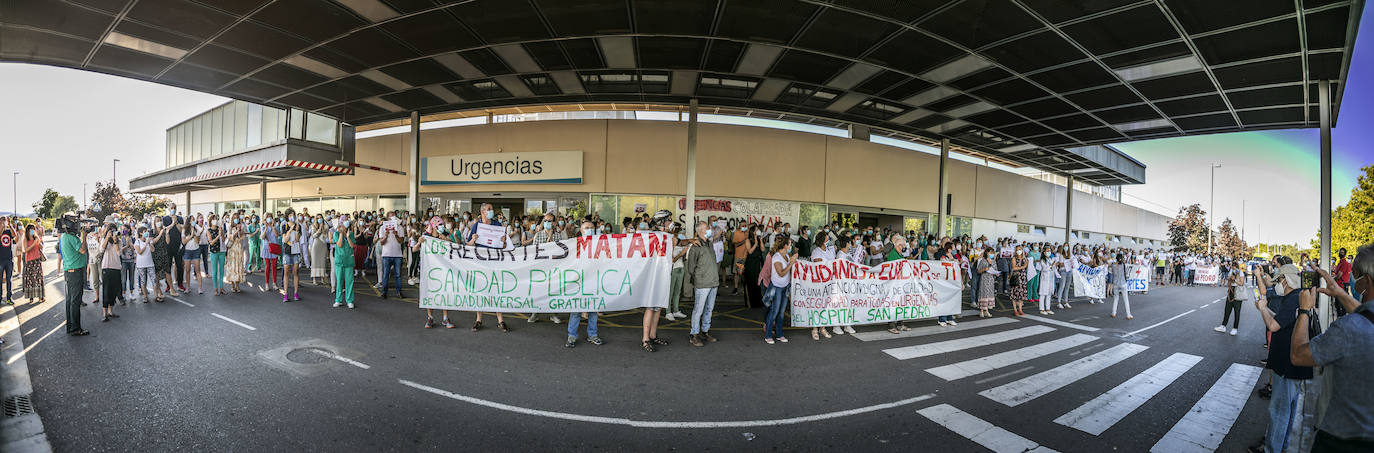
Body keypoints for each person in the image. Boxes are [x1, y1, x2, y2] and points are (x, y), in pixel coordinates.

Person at [1289, 245, 1374, 452]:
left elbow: (1299, 355)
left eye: (1354, 274)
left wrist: (1304, 311)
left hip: (1343, 439)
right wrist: (1339, 293)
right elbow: (1368, 318)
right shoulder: (1362, 322)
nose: (1352, 280)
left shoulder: (1348, 328)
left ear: (1367, 281)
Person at [1250, 262, 1313, 453]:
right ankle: (1281, 445)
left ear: (1285, 281)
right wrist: (1264, 308)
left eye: (1279, 280)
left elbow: (1274, 326)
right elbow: (1278, 320)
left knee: (1279, 411)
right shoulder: (1298, 297)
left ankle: (1272, 449)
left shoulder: (1294, 298)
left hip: (1287, 364)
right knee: (1289, 409)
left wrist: (1262, 309)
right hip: (1293, 363)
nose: (1276, 284)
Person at [466, 203, 509, 332]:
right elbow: (467, 245)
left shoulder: (497, 225)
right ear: (483, 211)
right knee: (480, 290)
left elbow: (504, 246)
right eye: (489, 209)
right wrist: (473, 240)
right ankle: (478, 320)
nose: (491, 211)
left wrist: (504, 241)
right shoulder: (476, 226)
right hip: (480, 262)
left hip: (495, 262)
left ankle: (500, 320)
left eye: (491, 209)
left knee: (496, 290)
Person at [567, 221, 605, 348]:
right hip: (578, 280)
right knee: (576, 310)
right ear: (581, 230)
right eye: (586, 228)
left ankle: (593, 335)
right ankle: (572, 335)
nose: (589, 230)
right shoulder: (574, 244)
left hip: (594, 279)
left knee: (593, 309)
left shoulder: (599, 244)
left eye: (591, 228)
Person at [683, 221, 719, 347]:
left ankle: (705, 331)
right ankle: (694, 334)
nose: (710, 229)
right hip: (703, 282)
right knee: (698, 310)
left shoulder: (709, 243)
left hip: (713, 281)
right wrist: (700, 276)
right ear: (701, 230)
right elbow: (691, 267)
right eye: (707, 228)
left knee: (709, 309)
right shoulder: (695, 246)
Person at [59, 217, 90, 336]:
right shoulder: (71, 238)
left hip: (69, 271)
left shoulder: (64, 237)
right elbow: (82, 250)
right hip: (75, 271)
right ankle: (76, 328)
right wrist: (84, 236)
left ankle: (70, 326)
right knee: (75, 301)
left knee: (70, 299)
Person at [762, 237, 796, 345]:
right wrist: (791, 263)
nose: (791, 246)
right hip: (776, 287)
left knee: (781, 313)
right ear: (785, 245)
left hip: (785, 287)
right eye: (790, 244)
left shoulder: (786, 256)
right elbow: (781, 273)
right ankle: (768, 335)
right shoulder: (776, 257)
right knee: (774, 311)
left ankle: (779, 334)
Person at [664, 222, 689, 321]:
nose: (679, 231)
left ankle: (676, 310)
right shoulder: (670, 241)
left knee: (677, 292)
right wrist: (681, 253)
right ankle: (668, 312)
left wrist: (684, 255)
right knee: (670, 292)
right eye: (678, 229)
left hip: (680, 268)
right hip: (673, 269)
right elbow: (672, 259)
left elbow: (682, 258)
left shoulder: (680, 240)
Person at [98, 225, 122, 322]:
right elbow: (101, 250)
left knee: (114, 290)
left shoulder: (119, 241)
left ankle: (111, 311)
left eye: (114, 231)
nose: (112, 233)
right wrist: (107, 238)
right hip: (106, 268)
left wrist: (115, 241)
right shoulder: (104, 240)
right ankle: (104, 313)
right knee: (106, 291)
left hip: (116, 267)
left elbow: (118, 253)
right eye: (111, 231)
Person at [332, 218, 356, 309]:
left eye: (346, 221)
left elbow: (352, 245)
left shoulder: (351, 233)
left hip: (349, 260)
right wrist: (342, 233)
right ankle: (338, 300)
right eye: (342, 222)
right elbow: (339, 244)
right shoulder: (336, 234)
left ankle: (349, 300)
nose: (344, 223)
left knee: (349, 281)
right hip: (339, 261)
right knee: (339, 281)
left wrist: (348, 236)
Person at [1216, 268, 1245, 335]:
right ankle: (1223, 326)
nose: (1233, 266)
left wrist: (1234, 279)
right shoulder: (1230, 271)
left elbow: (1241, 283)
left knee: (1237, 311)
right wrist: (1229, 279)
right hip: (1231, 291)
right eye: (1232, 264)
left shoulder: (1240, 272)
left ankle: (1235, 328)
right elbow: (1228, 282)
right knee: (1227, 310)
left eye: (1235, 265)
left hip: (1237, 292)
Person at [20, 224, 44, 303]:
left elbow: (40, 247)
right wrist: (34, 243)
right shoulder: (25, 239)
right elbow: (26, 250)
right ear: (28, 231)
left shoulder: (36, 238)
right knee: (30, 280)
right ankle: (31, 297)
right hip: (29, 261)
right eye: (31, 229)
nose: (33, 231)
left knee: (39, 279)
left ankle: (41, 296)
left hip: (37, 260)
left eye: (34, 229)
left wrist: (38, 241)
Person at [281, 217, 302, 302]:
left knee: (295, 272)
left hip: (295, 252)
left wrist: (296, 231)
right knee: (286, 272)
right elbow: (285, 240)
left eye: (293, 214)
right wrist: (290, 230)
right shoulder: (284, 226)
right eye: (290, 214)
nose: (292, 216)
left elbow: (297, 240)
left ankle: (296, 293)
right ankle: (285, 294)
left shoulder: (298, 226)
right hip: (287, 252)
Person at [133, 226, 157, 303]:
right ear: (140, 233)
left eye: (147, 231)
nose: (146, 232)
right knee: (143, 280)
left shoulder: (149, 240)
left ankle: (156, 296)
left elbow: (153, 250)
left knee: (154, 279)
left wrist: (149, 243)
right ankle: (145, 296)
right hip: (141, 264)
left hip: (150, 263)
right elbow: (139, 252)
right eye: (144, 231)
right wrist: (146, 244)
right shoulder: (137, 241)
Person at [207, 215, 227, 296]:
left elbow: (223, 240)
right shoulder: (208, 230)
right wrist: (218, 236)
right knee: (214, 272)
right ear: (211, 221)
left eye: (216, 219)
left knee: (222, 271)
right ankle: (215, 289)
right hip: (214, 252)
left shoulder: (220, 229)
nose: (215, 220)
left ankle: (221, 288)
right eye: (214, 219)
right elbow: (211, 242)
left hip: (221, 251)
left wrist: (221, 233)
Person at [224, 216, 245, 293]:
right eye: (234, 218)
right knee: (233, 266)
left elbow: (243, 236)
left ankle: (237, 284)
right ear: (232, 219)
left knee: (238, 265)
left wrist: (239, 232)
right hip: (232, 248)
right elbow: (229, 237)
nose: (236, 219)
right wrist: (236, 231)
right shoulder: (229, 226)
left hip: (238, 247)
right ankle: (233, 285)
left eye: (237, 218)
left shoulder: (241, 226)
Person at [1109, 253, 1133, 320]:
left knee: (1116, 298)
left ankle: (1113, 313)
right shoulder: (1123, 265)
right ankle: (1128, 314)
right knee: (1126, 300)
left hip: (1116, 283)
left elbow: (1109, 266)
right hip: (1123, 283)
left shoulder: (1113, 265)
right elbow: (1126, 273)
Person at [259, 216, 280, 291]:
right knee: (267, 266)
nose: (269, 219)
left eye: (270, 218)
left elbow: (277, 235)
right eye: (268, 218)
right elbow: (263, 237)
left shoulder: (276, 226)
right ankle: (266, 283)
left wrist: (273, 226)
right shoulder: (263, 227)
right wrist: (266, 228)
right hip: (266, 248)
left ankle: (274, 283)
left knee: (274, 266)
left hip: (274, 247)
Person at [976, 248, 998, 318]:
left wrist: (996, 273)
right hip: (984, 279)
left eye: (992, 253)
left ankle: (987, 310)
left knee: (989, 293)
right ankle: (981, 310)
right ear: (987, 253)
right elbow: (978, 271)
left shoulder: (994, 261)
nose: (991, 254)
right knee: (984, 293)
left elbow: (995, 270)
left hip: (991, 279)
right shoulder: (983, 261)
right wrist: (984, 269)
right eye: (990, 252)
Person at [1035, 249, 1056, 316]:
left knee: (1049, 294)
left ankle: (1048, 308)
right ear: (1044, 252)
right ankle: (1041, 309)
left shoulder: (1050, 259)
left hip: (1050, 278)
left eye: (1049, 251)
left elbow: (1053, 267)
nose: (1049, 252)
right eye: (1047, 251)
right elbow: (1044, 268)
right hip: (1044, 278)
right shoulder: (1042, 260)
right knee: (1043, 294)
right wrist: (1051, 265)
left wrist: (1055, 264)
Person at [1009, 245, 1028, 316]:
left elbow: (1027, 267)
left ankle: (1020, 309)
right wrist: (1024, 266)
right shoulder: (1014, 258)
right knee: (1014, 294)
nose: (1018, 251)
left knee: (1021, 294)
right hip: (1016, 278)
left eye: (1020, 249)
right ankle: (1015, 310)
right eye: (1017, 250)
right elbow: (1014, 268)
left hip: (1023, 277)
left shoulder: (1025, 258)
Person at [310, 217, 330, 286]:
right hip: (316, 245)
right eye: (318, 218)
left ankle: (323, 278)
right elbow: (314, 236)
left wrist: (323, 229)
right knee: (315, 262)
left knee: (322, 262)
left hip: (323, 245)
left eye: (320, 218)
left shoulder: (326, 226)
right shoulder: (313, 226)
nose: (319, 219)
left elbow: (325, 236)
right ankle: (314, 279)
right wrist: (319, 229)